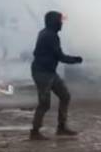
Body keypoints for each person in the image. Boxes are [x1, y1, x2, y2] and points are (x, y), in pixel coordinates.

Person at [30, 11, 83, 140]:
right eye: (60, 21)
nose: (61, 24)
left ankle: (61, 127)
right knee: (44, 104)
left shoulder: (47, 33)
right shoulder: (50, 36)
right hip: (42, 73)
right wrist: (76, 60)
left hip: (48, 72)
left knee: (65, 96)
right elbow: (60, 56)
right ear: (54, 22)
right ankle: (35, 131)